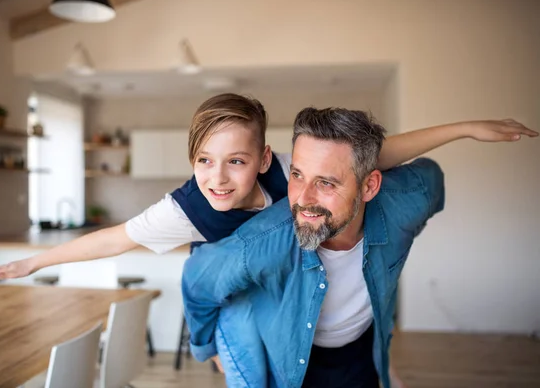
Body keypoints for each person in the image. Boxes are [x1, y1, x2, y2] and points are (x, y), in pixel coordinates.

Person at [0, 94, 536, 387]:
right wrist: (34, 262)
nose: (218, 178)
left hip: (309, 310)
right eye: (203, 161)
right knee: (240, 333)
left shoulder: (286, 176)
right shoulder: (190, 210)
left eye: (235, 161)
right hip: (236, 304)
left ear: (264, 160)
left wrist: (467, 127)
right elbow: (113, 241)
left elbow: (387, 154)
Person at [181, 106, 538, 388]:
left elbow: (432, 178)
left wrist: (467, 129)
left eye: (326, 182)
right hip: (289, 361)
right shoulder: (262, 240)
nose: (302, 200)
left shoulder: (406, 200)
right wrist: (207, 350)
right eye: (298, 174)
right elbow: (198, 280)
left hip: (362, 353)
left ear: (369, 187)